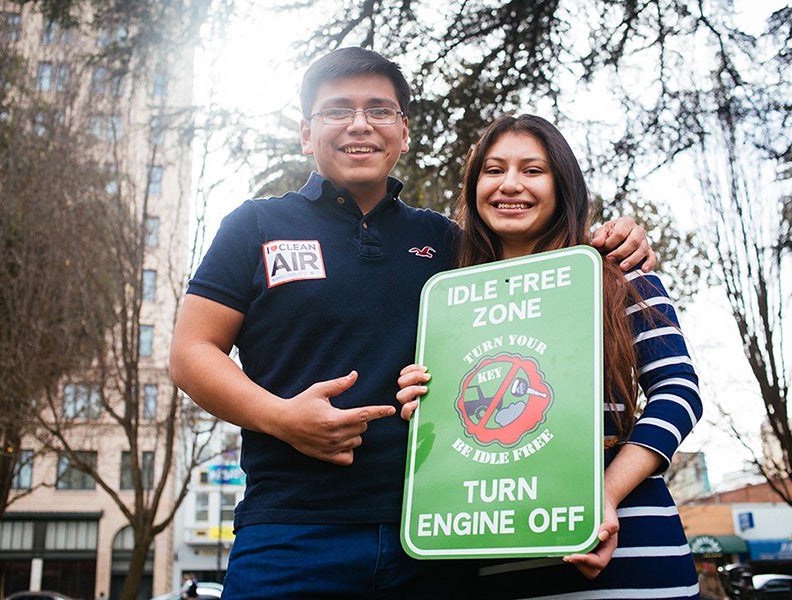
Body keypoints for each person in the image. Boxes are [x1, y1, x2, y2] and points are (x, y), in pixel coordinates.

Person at [169, 47, 655, 599]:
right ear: (307, 133)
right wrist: (282, 418)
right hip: (291, 533)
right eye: (337, 110)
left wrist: (615, 238)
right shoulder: (254, 225)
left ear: (402, 132)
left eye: (379, 110)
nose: (359, 125)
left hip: (435, 538)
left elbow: (541, 274)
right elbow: (191, 354)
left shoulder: (453, 243)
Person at [397, 114, 703, 599]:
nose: (510, 185)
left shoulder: (617, 273)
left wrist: (601, 497)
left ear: (563, 185)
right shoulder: (451, 301)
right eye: (493, 170)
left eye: (533, 170)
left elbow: (679, 393)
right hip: (497, 561)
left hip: (628, 549)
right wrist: (424, 401)